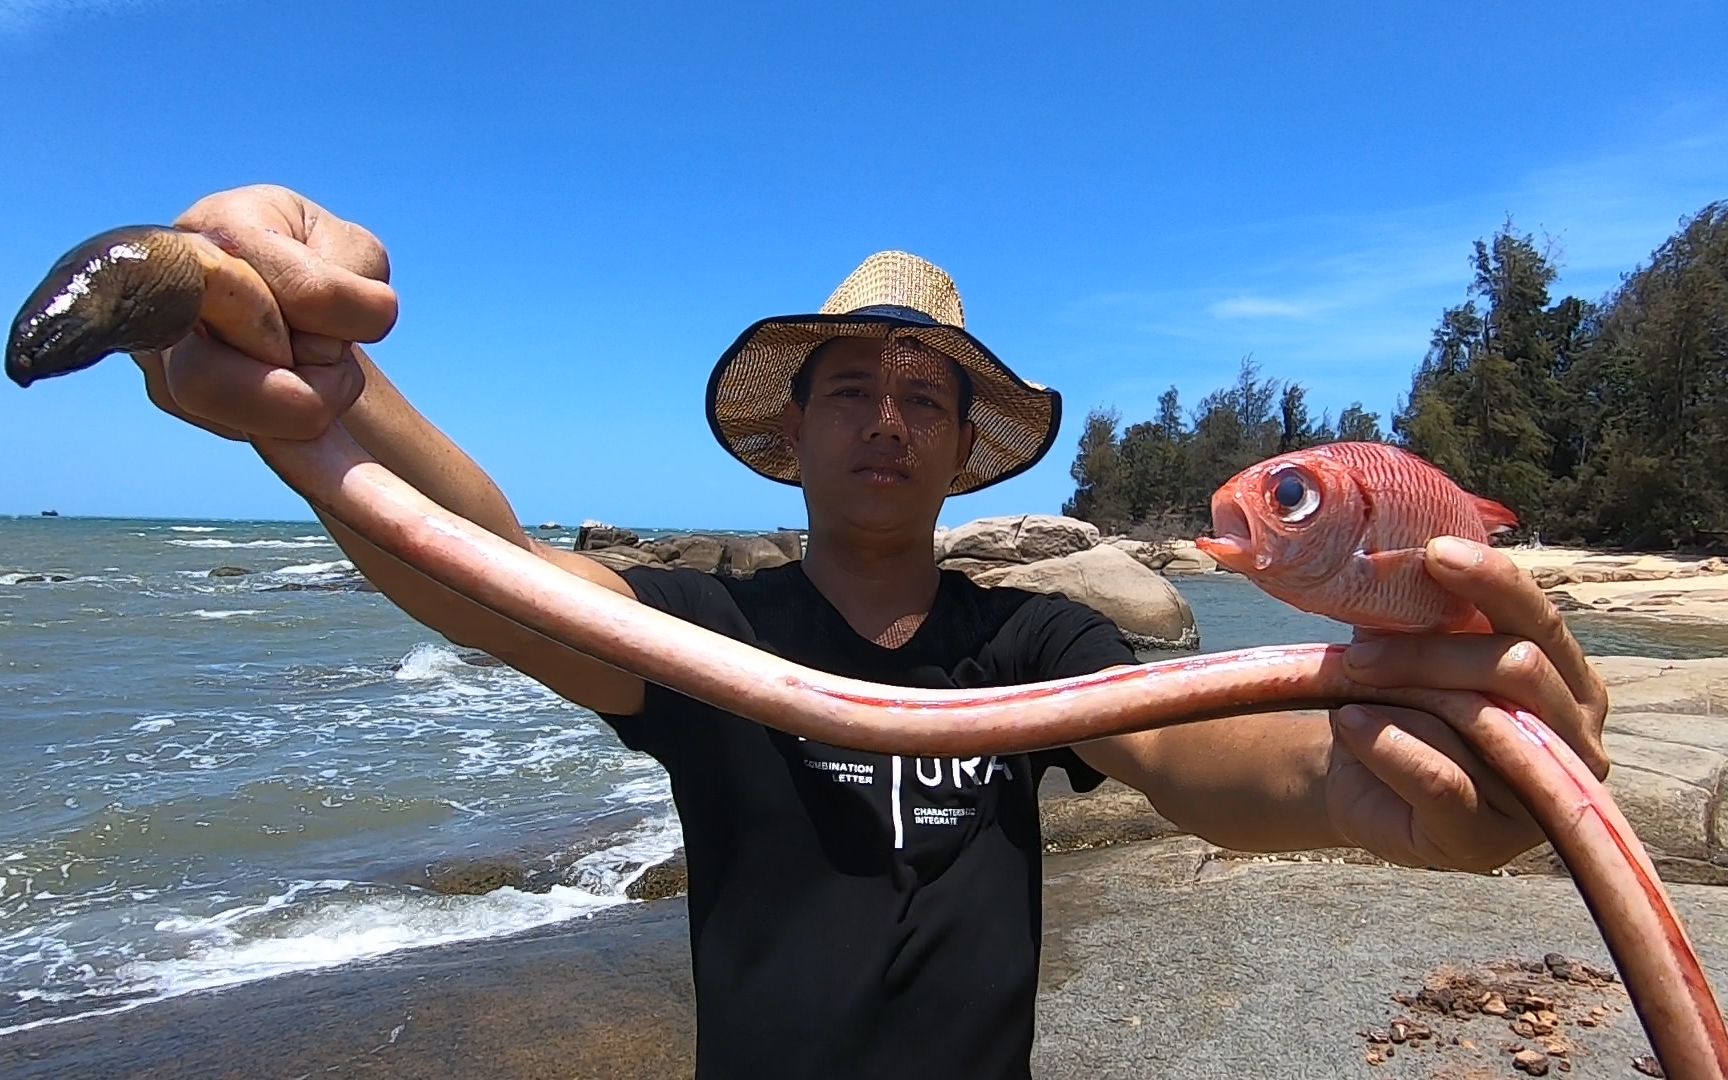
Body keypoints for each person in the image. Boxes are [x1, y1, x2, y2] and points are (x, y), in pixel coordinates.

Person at [131, 184, 1611, 1079]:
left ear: (967, 449)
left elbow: (1218, 743)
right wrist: (325, 396)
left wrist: (1372, 786)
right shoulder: (713, 634)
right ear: (798, 434)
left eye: (926, 399)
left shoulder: (1036, 648)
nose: (889, 421)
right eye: (853, 390)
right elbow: (497, 573)